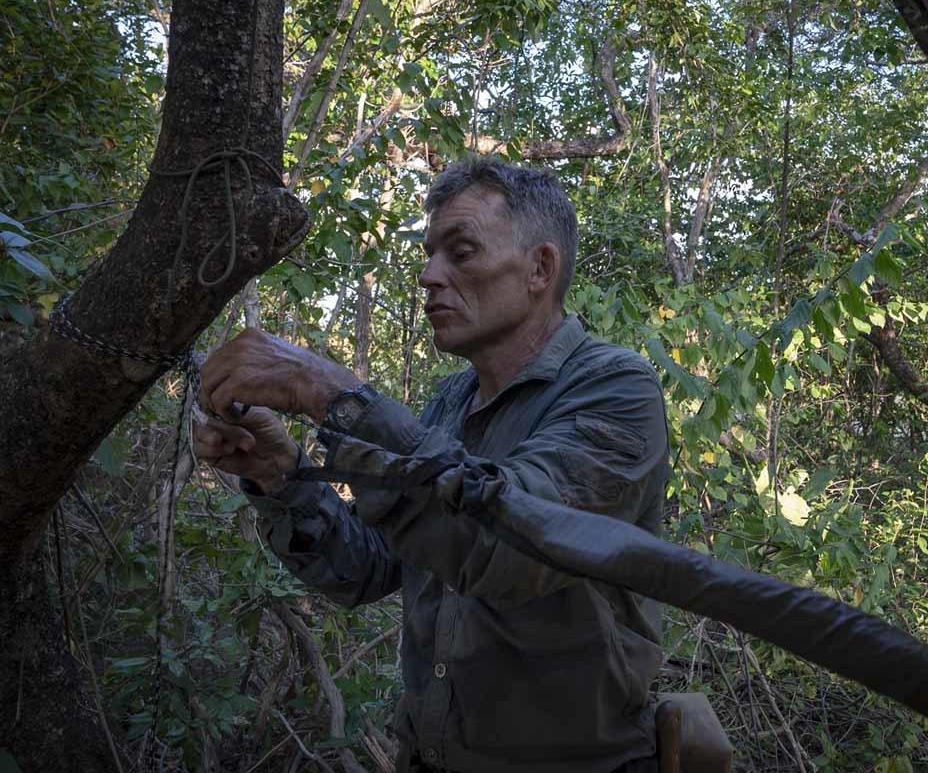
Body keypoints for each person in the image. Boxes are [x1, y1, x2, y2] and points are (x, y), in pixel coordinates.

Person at [193, 157, 669, 773]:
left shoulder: (615, 389)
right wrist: (281, 476)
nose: (428, 276)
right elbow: (367, 569)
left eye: (461, 252)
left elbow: (512, 546)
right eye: (429, 254)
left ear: (539, 269)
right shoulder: (448, 403)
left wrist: (329, 392)